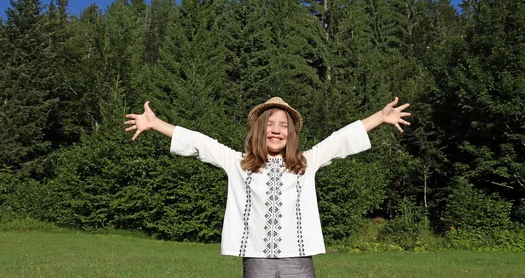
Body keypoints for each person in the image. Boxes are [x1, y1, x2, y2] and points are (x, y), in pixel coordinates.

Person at [124, 96, 410, 278]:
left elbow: (340, 140)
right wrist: (157, 123)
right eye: (270, 124)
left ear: (291, 133)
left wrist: (379, 117)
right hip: (257, 261)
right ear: (259, 130)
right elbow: (201, 143)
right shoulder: (238, 163)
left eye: (283, 125)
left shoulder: (306, 163)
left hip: (298, 259)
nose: (276, 129)